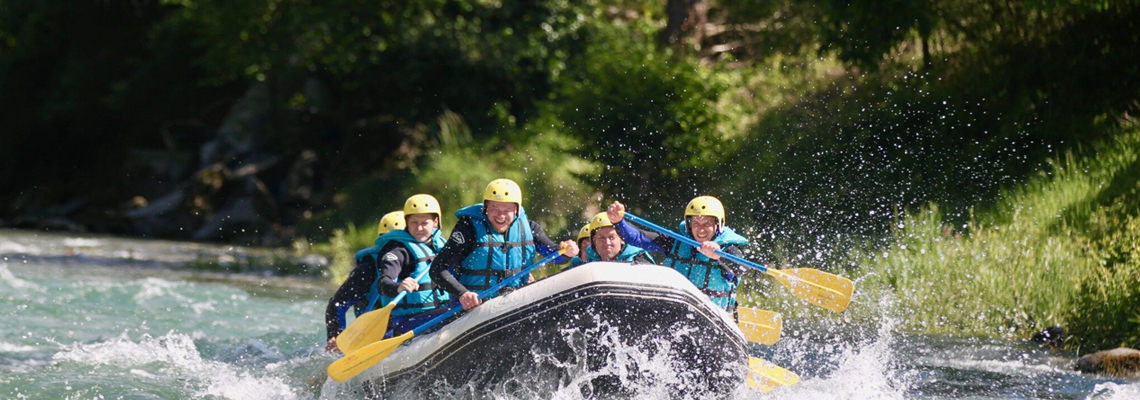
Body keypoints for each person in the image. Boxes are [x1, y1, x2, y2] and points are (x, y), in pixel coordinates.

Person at [324, 195, 450, 352]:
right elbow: (337, 304)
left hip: (422, 315)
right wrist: (335, 335)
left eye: (423, 223)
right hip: (380, 327)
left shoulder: (433, 249)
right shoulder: (369, 268)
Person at [430, 178, 579, 310]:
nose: (500, 216)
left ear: (516, 210)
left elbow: (557, 257)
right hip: (474, 308)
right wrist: (463, 293)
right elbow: (437, 269)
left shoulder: (529, 228)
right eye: (494, 209)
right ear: (485, 207)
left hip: (514, 304)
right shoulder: (468, 229)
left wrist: (567, 252)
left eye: (507, 210)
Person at [606, 196, 748, 312]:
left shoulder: (729, 249)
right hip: (677, 311)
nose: (701, 229)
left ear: (718, 225)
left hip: (714, 316)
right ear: (688, 224)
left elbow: (741, 269)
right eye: (696, 223)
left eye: (707, 223)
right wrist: (619, 222)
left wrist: (719, 255)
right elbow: (638, 238)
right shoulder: (676, 242)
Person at [581, 212, 655, 265]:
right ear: (594, 240)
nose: (607, 242)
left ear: (622, 238)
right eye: (601, 238)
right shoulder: (589, 259)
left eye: (611, 237)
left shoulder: (640, 260)